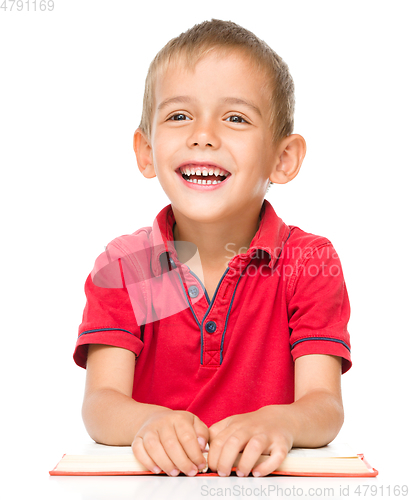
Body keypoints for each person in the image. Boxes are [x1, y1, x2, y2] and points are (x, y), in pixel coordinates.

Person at [74, 19, 352, 478]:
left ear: (282, 159)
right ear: (146, 151)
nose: (203, 135)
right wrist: (147, 422)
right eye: (180, 116)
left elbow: (323, 407)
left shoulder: (308, 262)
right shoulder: (128, 266)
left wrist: (280, 421)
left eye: (235, 118)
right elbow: (101, 404)